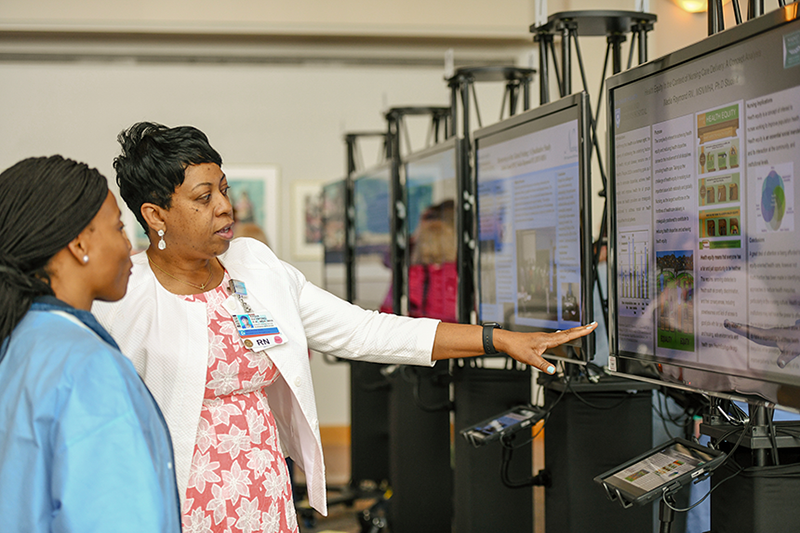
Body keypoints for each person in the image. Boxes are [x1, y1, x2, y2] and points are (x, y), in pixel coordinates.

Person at [93, 122, 597, 532]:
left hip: (261, 487)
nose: (225, 206)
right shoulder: (124, 294)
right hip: (176, 495)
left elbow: (365, 331)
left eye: (223, 189)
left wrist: (496, 338)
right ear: (155, 215)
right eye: (203, 198)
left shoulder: (255, 266)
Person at [0, 156, 181, 532]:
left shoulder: (17, 341)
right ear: (80, 243)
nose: (129, 247)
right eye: (118, 228)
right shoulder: (88, 367)